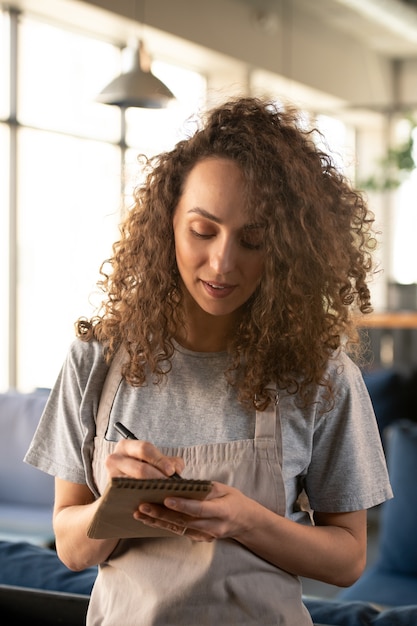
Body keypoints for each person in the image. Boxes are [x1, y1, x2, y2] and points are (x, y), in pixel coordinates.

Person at [25, 96, 392, 626]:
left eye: (254, 239)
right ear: (167, 222)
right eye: (203, 231)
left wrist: (246, 521)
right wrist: (114, 507)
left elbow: (348, 558)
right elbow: (72, 549)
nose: (222, 262)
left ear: (287, 248)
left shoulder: (321, 374)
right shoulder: (96, 359)